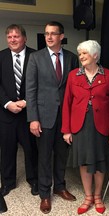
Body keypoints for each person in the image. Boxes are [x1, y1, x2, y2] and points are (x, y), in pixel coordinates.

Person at [61, 40, 109, 215]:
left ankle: (97, 196)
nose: (81, 57)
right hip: (79, 126)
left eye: (84, 54)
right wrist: (66, 130)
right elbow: (67, 103)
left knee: (100, 162)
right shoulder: (73, 75)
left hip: (101, 126)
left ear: (95, 55)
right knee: (84, 161)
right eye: (80, 54)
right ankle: (87, 197)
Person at [26, 21, 79, 214]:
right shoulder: (35, 58)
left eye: (53, 34)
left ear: (61, 36)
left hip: (65, 117)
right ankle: (44, 194)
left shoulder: (72, 58)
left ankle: (60, 186)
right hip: (43, 116)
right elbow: (30, 90)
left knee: (62, 153)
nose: (49, 37)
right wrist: (33, 118)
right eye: (47, 33)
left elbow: (74, 89)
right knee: (44, 156)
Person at [0, 24, 38, 197]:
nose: (13, 40)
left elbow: (41, 84)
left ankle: (34, 180)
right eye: (9, 37)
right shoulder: (0, 57)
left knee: (31, 149)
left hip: (28, 114)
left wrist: (25, 102)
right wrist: (7, 103)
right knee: (7, 149)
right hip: (6, 113)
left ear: (24, 38)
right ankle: (7, 182)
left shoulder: (36, 56)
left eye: (16, 36)